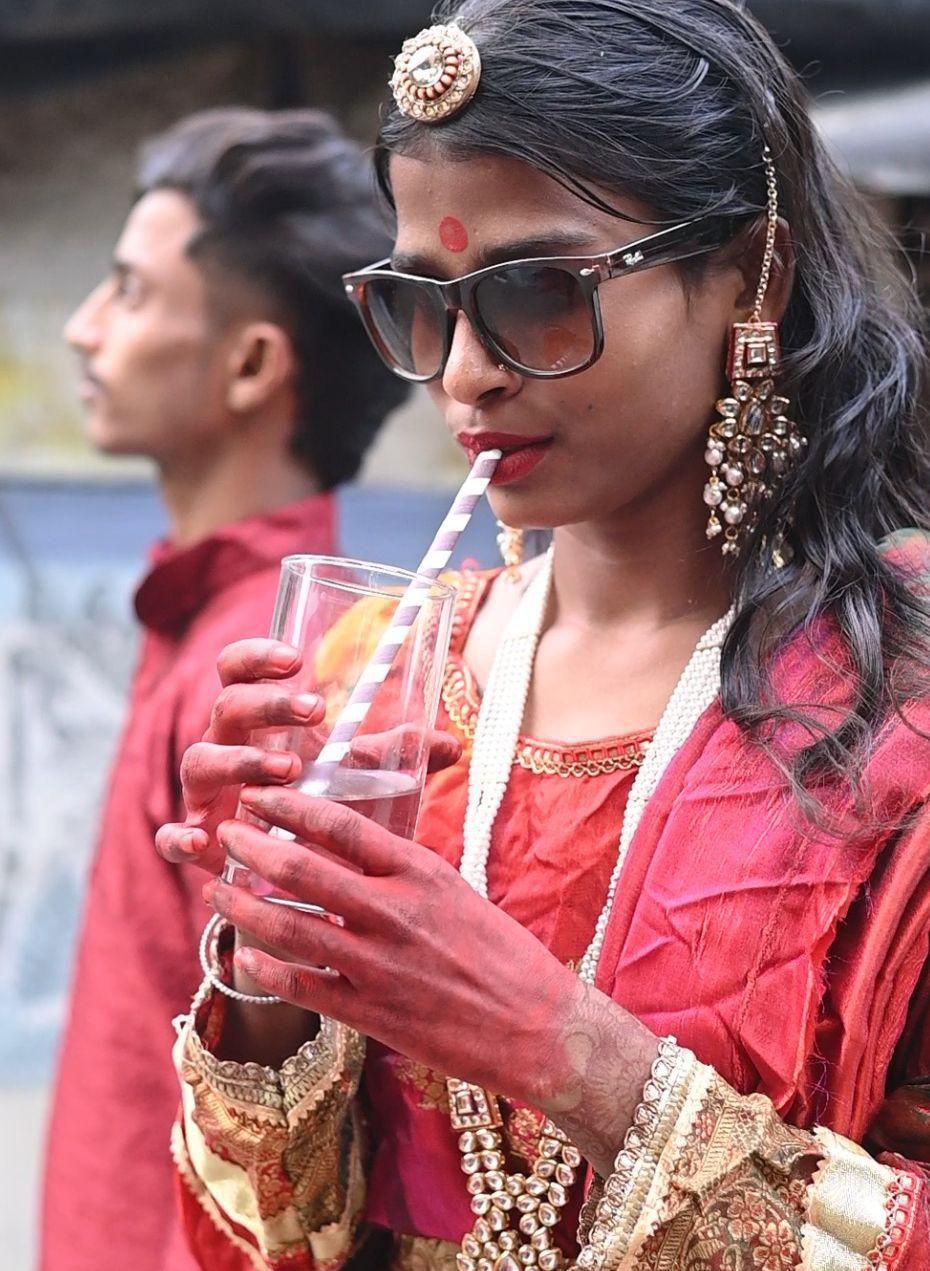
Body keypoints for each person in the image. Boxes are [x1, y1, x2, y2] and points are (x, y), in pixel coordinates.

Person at [157, 4, 930, 1268]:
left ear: (754, 273)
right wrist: (264, 975)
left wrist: (551, 1041)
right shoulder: (379, 670)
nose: (464, 372)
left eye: (535, 292)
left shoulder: (903, 689)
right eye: (421, 303)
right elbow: (267, 1233)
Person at [41, 107, 409, 1271]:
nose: (82, 330)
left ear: (252, 362)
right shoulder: (209, 625)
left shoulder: (263, 665)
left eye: (131, 294)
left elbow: (287, 1095)